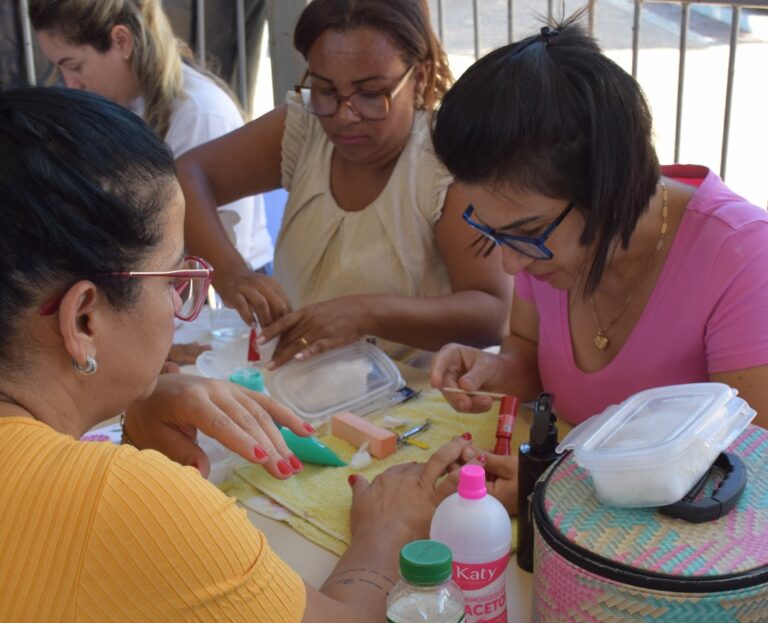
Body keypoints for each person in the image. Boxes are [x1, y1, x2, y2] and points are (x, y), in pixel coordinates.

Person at [0, 85, 474, 623]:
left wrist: (135, 422)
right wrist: (388, 530)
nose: (183, 305)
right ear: (82, 320)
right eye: (173, 281)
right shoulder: (124, 509)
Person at [429, 18, 768, 430]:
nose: (511, 266)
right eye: (491, 231)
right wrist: (493, 371)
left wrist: (567, 491)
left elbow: (752, 469)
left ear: (610, 189)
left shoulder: (744, 258)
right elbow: (530, 354)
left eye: (529, 234)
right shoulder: (543, 240)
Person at [177, 0, 512, 367]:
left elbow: (494, 312)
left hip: (414, 399)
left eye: (370, 94)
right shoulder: (304, 129)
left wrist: (368, 314)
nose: (345, 115)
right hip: (301, 384)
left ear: (419, 78)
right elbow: (186, 177)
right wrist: (233, 275)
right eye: (325, 90)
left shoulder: (444, 166)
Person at [30, 0, 275, 367]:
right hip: (156, 297)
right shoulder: (119, 103)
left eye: (75, 66)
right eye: (60, 69)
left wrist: (138, 345)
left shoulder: (198, 112)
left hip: (221, 302)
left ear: (122, 41)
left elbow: (192, 252)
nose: (70, 83)